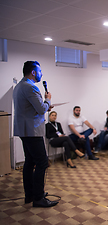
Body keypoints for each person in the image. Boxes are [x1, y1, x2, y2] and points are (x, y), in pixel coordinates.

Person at [13, 60, 58, 207]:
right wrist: (47, 100)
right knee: (42, 162)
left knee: (30, 162)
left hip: (24, 129)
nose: (41, 74)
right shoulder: (31, 87)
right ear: (33, 72)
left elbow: (32, 108)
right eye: (40, 71)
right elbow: (40, 109)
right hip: (32, 131)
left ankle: (30, 194)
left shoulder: (19, 86)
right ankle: (38, 198)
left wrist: (45, 106)